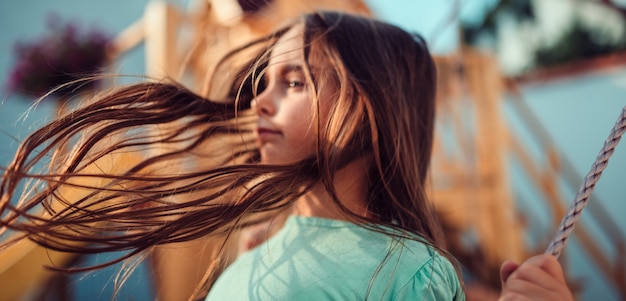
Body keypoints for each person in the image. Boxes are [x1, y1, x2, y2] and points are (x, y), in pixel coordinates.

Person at [0, 10, 573, 301]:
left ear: (366, 109)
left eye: (294, 82)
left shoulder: (409, 273)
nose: (260, 102)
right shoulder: (253, 249)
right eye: (263, 83)